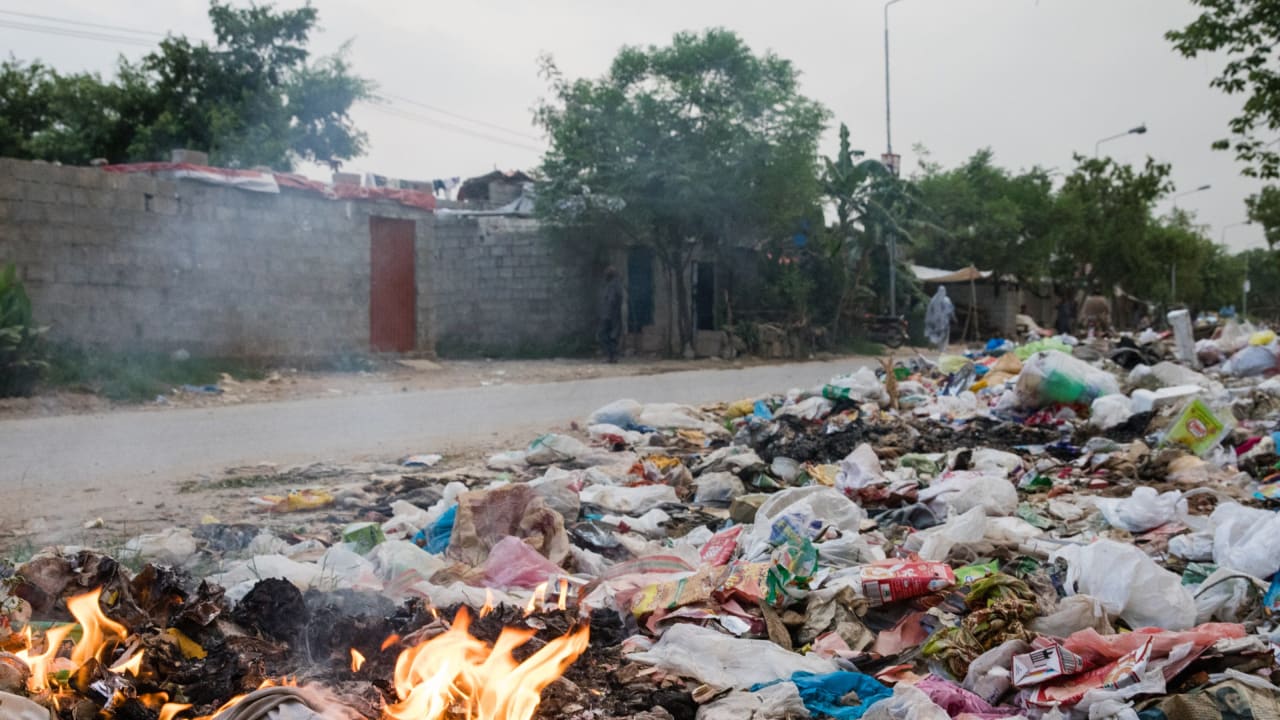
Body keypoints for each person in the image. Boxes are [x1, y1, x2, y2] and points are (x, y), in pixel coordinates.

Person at [598, 266, 624, 363]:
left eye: (606, 274)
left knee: (603, 335)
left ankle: (611, 356)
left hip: (610, 315)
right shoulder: (615, 284)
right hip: (613, 314)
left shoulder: (613, 285)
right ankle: (612, 357)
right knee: (612, 336)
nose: (605, 276)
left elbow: (611, 301)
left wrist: (606, 315)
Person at [925, 286, 954, 351]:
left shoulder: (946, 300)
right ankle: (935, 346)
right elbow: (929, 310)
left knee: (944, 335)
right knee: (937, 334)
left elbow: (951, 309)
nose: (942, 293)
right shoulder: (934, 300)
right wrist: (929, 319)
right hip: (936, 321)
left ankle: (941, 348)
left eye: (943, 291)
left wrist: (952, 316)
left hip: (944, 321)